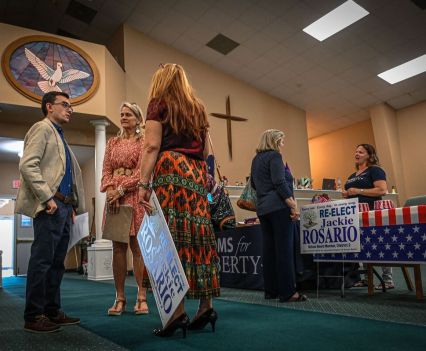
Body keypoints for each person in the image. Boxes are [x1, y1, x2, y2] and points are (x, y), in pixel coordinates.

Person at [138, 63, 219, 338]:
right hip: (196, 174)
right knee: (199, 237)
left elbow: (151, 146)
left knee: (173, 238)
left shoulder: (158, 104)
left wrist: (142, 185)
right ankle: (206, 306)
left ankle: (177, 312)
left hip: (170, 171)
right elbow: (208, 151)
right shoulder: (197, 107)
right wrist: (206, 174)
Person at [16, 92, 85, 333]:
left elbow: (64, 175)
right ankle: (34, 316)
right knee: (43, 261)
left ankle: (52, 311)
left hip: (64, 207)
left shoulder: (59, 135)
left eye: (71, 106)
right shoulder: (42, 128)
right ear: (49, 107)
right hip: (50, 205)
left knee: (57, 263)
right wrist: (46, 197)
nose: (69, 109)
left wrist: (72, 205)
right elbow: (27, 165)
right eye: (65, 105)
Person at [101, 102, 149, 315]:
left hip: (134, 196)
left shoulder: (144, 141)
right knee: (118, 249)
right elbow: (106, 169)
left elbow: (142, 172)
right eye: (121, 114)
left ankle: (141, 295)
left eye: (128, 114)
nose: (123, 117)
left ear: (138, 119)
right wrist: (111, 190)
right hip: (114, 200)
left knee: (138, 248)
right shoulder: (112, 142)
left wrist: (121, 189)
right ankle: (119, 298)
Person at [250, 129, 307, 303]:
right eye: (281, 141)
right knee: (284, 251)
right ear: (275, 141)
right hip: (278, 207)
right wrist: (291, 203)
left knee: (269, 251)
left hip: (263, 209)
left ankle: (271, 290)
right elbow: (279, 182)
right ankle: (288, 292)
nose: (283, 145)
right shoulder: (275, 156)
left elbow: (253, 184)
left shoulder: (256, 160)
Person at [342, 143, 395, 290]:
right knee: (362, 245)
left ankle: (387, 280)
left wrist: (358, 190)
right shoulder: (352, 176)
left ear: (369, 155)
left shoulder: (375, 170)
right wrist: (347, 194)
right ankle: (367, 278)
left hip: (373, 213)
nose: (357, 154)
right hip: (356, 214)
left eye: (361, 152)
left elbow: (382, 190)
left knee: (381, 244)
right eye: (356, 151)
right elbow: (352, 193)